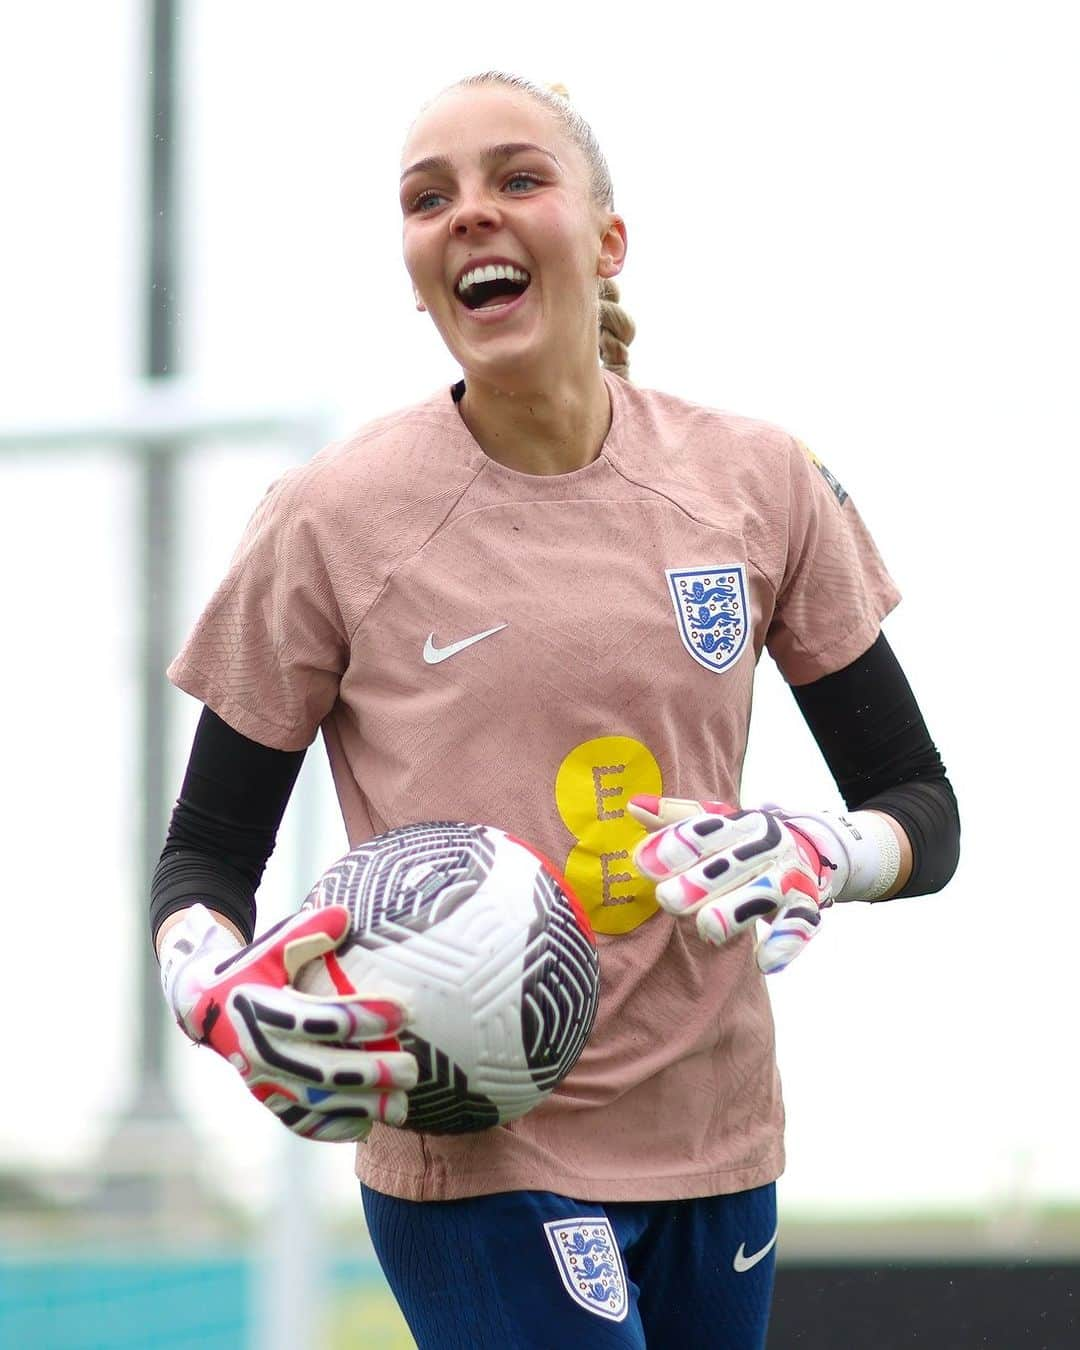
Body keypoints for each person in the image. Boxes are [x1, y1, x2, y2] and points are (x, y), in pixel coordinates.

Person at [151, 71, 960, 1349]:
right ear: (414, 271)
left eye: (517, 179)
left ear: (608, 240)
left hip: (717, 1134)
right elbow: (203, 858)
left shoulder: (760, 481)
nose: (470, 214)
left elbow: (924, 807)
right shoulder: (328, 518)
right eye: (429, 199)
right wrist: (211, 986)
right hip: (472, 1143)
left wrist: (826, 848)